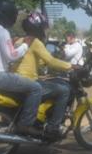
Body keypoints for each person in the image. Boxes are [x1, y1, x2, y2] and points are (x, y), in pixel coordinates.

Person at [0, 0, 42, 137]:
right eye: (14, 14)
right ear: (7, 14)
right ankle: (25, 125)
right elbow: (12, 56)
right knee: (36, 88)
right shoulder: (2, 32)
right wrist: (26, 44)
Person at [15, 12, 73, 140]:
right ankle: (53, 128)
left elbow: (38, 61)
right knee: (64, 90)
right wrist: (71, 66)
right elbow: (51, 61)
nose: (44, 31)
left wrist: (47, 67)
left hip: (16, 81)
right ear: (38, 27)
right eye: (43, 28)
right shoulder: (35, 42)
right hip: (28, 82)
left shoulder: (20, 40)